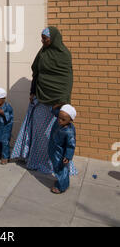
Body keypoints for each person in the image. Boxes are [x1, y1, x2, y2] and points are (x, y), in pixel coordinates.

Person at [11, 26, 77, 176]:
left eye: (45, 38)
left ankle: (56, 164)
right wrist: (32, 92)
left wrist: (64, 101)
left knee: (53, 135)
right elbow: (36, 73)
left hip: (58, 102)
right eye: (42, 38)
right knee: (39, 131)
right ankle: (35, 160)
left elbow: (68, 79)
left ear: (53, 38)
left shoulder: (64, 55)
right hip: (41, 98)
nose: (42, 41)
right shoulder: (42, 53)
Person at [49, 104, 77, 194]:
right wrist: (57, 105)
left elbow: (71, 145)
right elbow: (54, 111)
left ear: (70, 120)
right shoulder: (60, 119)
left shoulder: (69, 131)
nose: (60, 121)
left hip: (60, 153)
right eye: (59, 118)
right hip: (54, 149)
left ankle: (62, 187)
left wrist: (68, 156)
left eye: (63, 119)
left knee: (61, 169)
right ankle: (61, 182)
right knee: (57, 168)